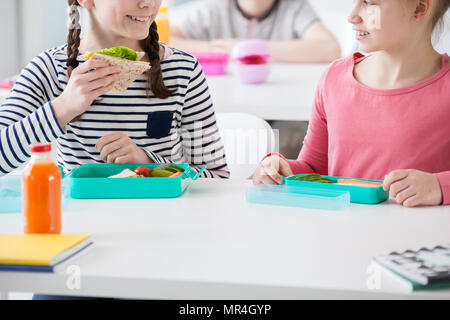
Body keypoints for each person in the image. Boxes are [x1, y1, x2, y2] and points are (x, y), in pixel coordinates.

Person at [0, 0, 229, 179]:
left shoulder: (183, 70)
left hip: (164, 221)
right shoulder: (49, 69)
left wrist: (149, 165)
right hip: (79, 223)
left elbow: (216, 176)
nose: (148, 3)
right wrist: (63, 108)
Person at [253, 0, 450, 207]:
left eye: (369, 3)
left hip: (418, 237)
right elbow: (315, 169)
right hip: (342, 234)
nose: (352, 16)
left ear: (419, 9)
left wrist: (438, 185)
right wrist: (282, 170)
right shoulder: (333, 79)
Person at [171, 0, 341, 63]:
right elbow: (166, 39)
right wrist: (215, 49)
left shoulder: (295, 6)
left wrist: (250, 48)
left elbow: (330, 49)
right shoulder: (215, 6)